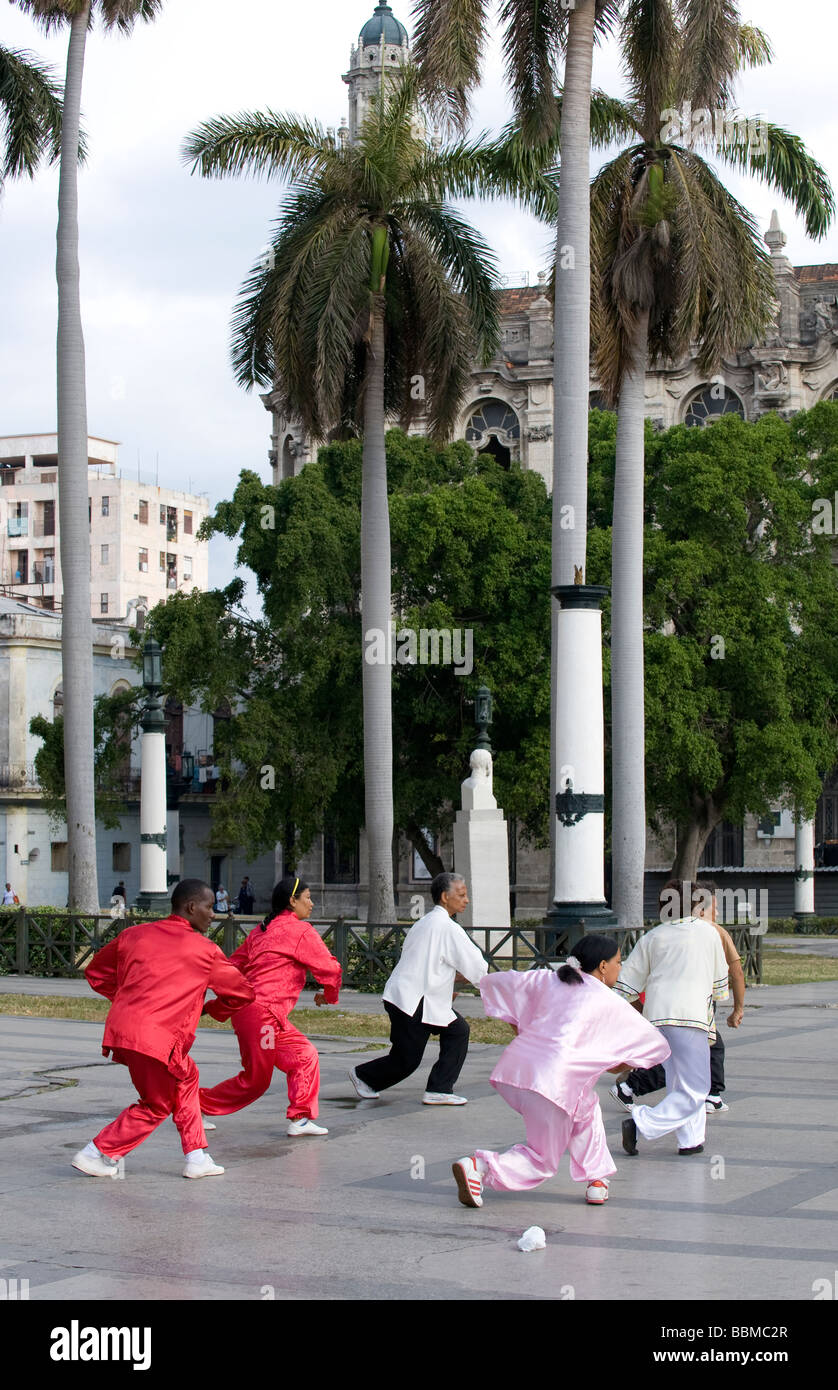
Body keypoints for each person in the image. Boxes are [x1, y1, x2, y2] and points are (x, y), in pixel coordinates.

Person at [452, 935, 671, 1208]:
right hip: (553, 1083)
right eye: (618, 961)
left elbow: (499, 985)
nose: (620, 967)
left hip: (517, 1070)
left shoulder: (546, 978)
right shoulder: (609, 1001)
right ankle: (480, 1167)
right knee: (541, 1159)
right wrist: (620, 1063)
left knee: (586, 1108)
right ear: (603, 966)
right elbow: (655, 1045)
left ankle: (597, 1178)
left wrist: (525, 1031)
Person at [72, 879, 254, 1180]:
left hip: (126, 1031)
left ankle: (197, 1156)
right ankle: (98, 1152)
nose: (214, 914)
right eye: (210, 907)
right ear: (192, 907)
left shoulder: (134, 935)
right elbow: (242, 993)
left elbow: (96, 972)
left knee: (186, 1077)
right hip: (159, 1038)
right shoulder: (205, 950)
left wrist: (129, 1000)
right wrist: (212, 1010)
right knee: (157, 1104)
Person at [199, 875, 341, 1137]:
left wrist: (209, 998)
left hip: (261, 1015)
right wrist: (329, 995)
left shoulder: (260, 931)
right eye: (307, 898)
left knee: (304, 1055)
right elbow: (330, 967)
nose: (312, 903)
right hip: (262, 1017)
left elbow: (231, 968)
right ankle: (195, 1106)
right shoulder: (301, 931)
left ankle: (300, 1118)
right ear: (292, 901)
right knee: (256, 1080)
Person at [348, 872, 487, 1106]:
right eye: (462, 895)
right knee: (407, 1060)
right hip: (414, 1000)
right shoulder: (447, 927)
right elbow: (476, 966)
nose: (466, 900)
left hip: (413, 997)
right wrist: (490, 984)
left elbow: (434, 964)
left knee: (457, 1031)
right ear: (445, 896)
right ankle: (363, 1076)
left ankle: (439, 1088)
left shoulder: (426, 923)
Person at [615, 880, 730, 1158]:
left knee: (679, 1081)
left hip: (657, 1019)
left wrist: (643, 1015)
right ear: (694, 904)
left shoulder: (652, 937)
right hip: (691, 1018)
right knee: (697, 1088)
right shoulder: (709, 933)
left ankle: (690, 1140)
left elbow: (624, 987)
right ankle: (641, 1124)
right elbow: (719, 987)